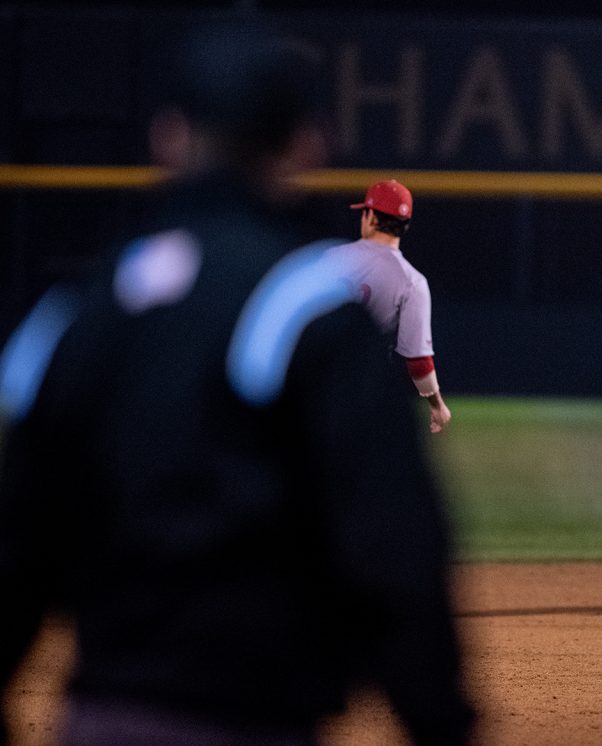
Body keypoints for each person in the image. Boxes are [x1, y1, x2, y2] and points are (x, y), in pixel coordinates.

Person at [0, 24, 473, 745]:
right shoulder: (307, 307)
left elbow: (17, 550)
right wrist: (441, 721)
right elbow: (393, 551)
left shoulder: (72, 319)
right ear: (305, 144)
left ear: (167, 137)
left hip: (95, 722)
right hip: (251, 723)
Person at [325, 180, 452, 433]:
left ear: (371, 216)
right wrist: (437, 404)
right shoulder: (412, 281)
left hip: (318, 382)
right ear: (405, 225)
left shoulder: (330, 258)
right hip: (367, 390)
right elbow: (419, 362)